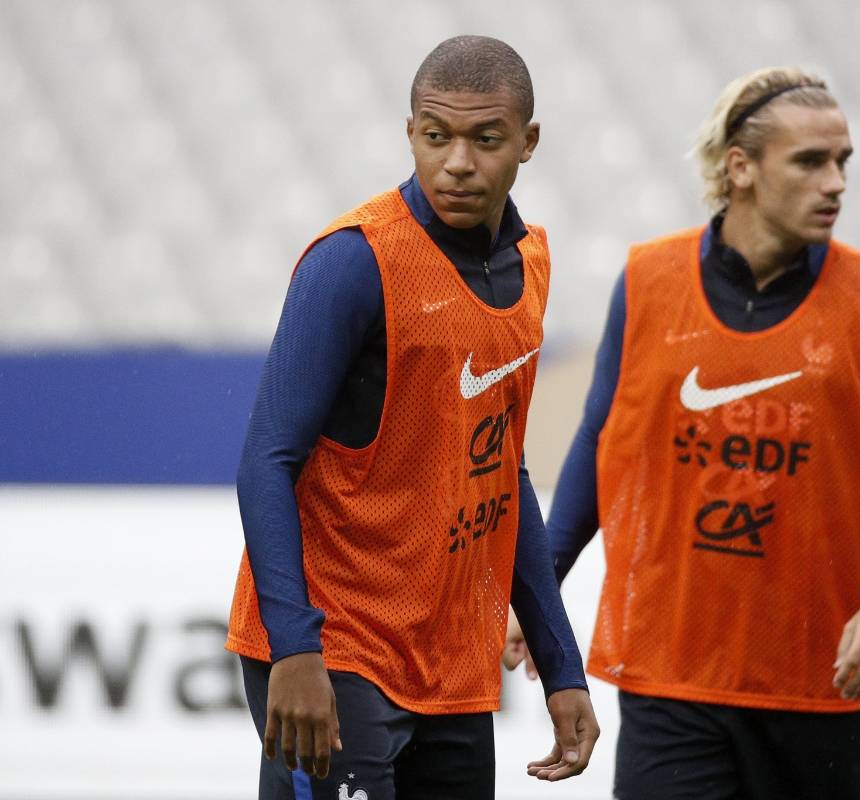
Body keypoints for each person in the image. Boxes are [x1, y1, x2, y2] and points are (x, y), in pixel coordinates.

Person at [505, 67, 860, 799]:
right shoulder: (650, 280)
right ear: (740, 167)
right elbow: (600, 438)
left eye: (843, 162)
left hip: (821, 681)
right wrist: (541, 591)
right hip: (674, 674)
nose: (835, 182)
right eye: (810, 161)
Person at [226, 35, 598, 800]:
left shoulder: (532, 264)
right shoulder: (353, 261)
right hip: (337, 648)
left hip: (449, 658)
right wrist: (295, 652)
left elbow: (501, 473)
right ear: (411, 134)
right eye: (437, 136)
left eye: (485, 139)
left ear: (528, 143)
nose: (457, 161)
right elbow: (266, 459)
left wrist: (562, 665)